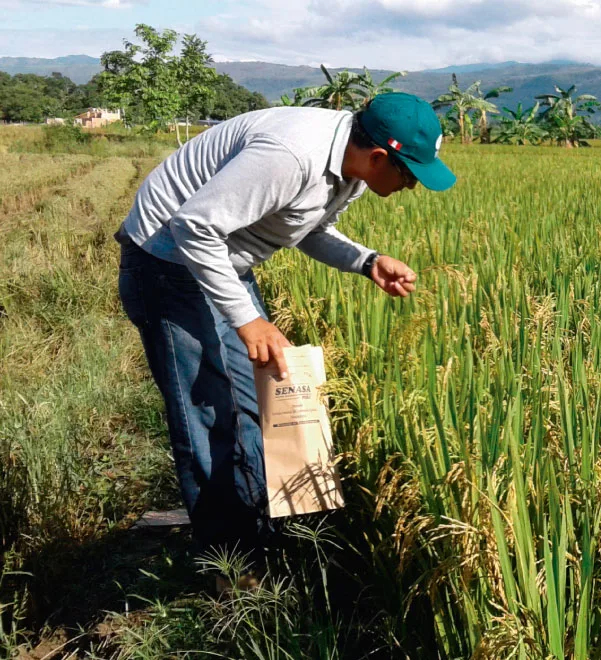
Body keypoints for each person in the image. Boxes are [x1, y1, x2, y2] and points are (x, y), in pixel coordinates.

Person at [114, 93, 455, 573]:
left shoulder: (349, 170)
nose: (410, 188)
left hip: (224, 258)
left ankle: (257, 533)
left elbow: (308, 229)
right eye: (409, 176)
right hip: (167, 261)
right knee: (207, 414)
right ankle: (230, 568)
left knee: (259, 402)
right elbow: (193, 227)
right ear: (380, 156)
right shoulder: (291, 155)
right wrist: (247, 319)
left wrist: (368, 261)